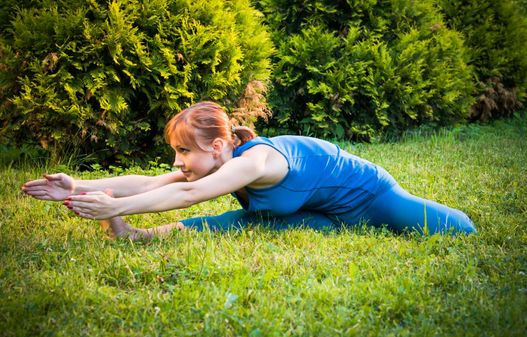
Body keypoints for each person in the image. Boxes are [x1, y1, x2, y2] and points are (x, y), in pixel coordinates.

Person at [22, 101, 477, 240]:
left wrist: (115, 204)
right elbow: (156, 183)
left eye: (184, 151)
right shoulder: (216, 164)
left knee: (459, 230)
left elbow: (185, 194)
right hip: (305, 213)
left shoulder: (255, 160)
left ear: (218, 146)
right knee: (236, 222)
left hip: (367, 198)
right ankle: (134, 235)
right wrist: (81, 185)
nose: (178, 163)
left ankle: (127, 225)